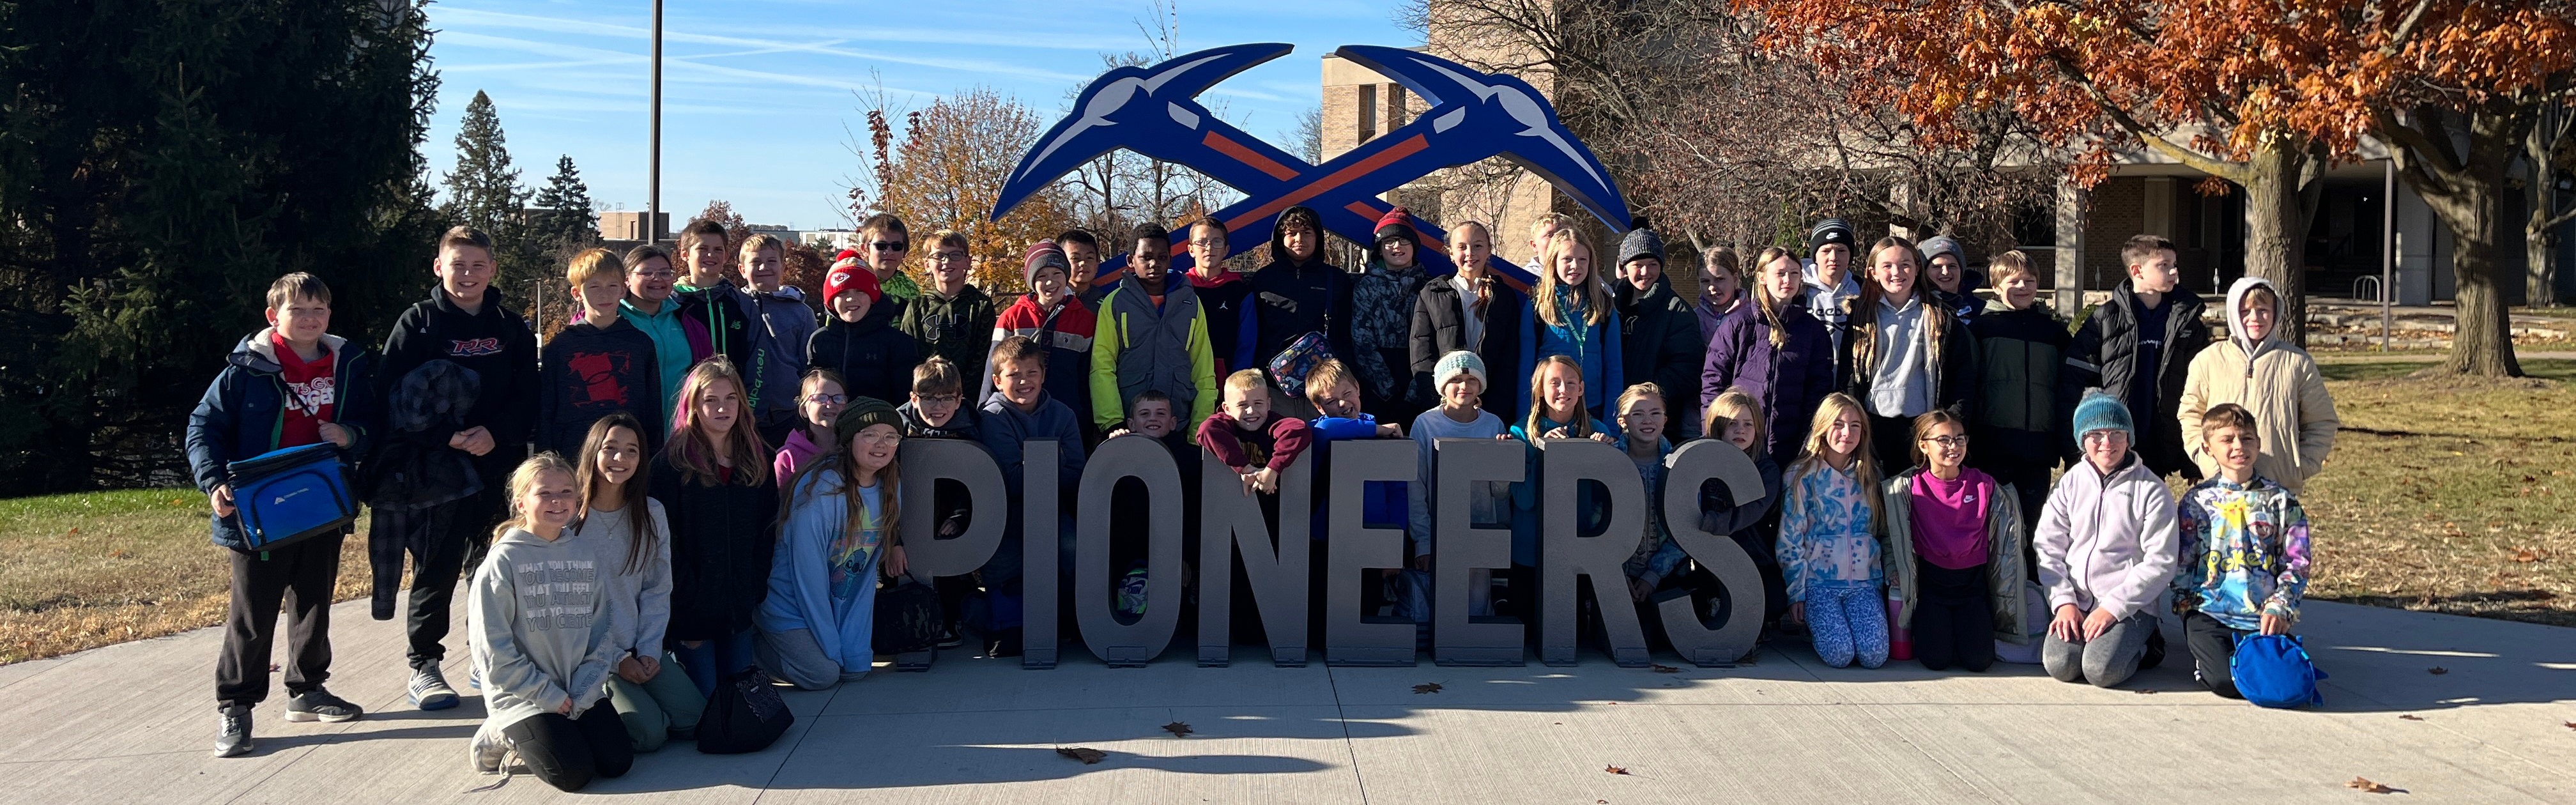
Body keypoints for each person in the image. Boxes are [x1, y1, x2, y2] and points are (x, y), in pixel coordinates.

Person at [190, 272, 375, 756]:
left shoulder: (349, 363)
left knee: (314, 601)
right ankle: (236, 705)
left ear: (329, 315)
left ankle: (308, 690)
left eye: (319, 310)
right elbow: (202, 426)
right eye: (298, 310)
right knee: (253, 612)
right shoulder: (247, 368)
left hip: (322, 501)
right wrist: (214, 483)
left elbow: (377, 424)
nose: (310, 319)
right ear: (274, 317)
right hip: (258, 509)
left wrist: (350, 435)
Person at [372, 225, 538, 711]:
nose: (467, 274)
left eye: (478, 265)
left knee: (492, 565)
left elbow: (529, 395)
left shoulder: (511, 327)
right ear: (438, 267)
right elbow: (391, 398)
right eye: (458, 264)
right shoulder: (418, 324)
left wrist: (497, 433)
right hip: (435, 468)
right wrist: (443, 437)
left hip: (499, 463)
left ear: (492, 270)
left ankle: (484, 655)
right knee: (437, 563)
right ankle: (424, 663)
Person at [465, 454, 631, 792]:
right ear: (521, 502)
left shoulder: (583, 553)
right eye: (544, 494)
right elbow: (493, 653)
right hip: (521, 694)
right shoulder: (503, 562)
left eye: (566, 492)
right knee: (573, 775)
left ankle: (559, 729)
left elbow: (602, 631)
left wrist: (583, 688)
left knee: (617, 762)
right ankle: (499, 732)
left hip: (576, 688)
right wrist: (546, 695)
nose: (557, 501)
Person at [571, 413, 703, 752]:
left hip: (640, 646)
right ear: (593, 452)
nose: (621, 459)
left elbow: (658, 588)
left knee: (694, 718)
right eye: (610, 448)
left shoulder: (651, 512)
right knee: (650, 734)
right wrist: (617, 660)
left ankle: (642, 700)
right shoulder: (570, 522)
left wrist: (649, 649)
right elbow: (572, 612)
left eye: (632, 451)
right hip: (593, 657)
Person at [649, 359, 780, 699]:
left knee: (739, 703)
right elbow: (664, 542)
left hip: (738, 607)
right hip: (691, 613)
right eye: (710, 400)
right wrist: (686, 599)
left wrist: (754, 586)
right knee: (705, 706)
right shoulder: (669, 465)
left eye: (731, 398)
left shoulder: (758, 458)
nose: (722, 408)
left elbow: (767, 530)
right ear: (692, 405)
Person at [759, 397, 909, 690]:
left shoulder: (891, 486)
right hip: (790, 606)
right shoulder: (821, 492)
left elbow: (863, 578)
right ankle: (753, 650)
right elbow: (808, 578)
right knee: (823, 674)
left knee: (855, 670)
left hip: (832, 603)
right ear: (850, 439)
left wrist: (850, 648)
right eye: (870, 435)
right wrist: (831, 646)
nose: (882, 444)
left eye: (891, 437)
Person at [2035, 391, 2180, 689]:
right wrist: (2063, 601)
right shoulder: (2069, 483)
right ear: (2082, 440)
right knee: (2060, 665)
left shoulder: (2151, 490)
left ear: (2129, 437)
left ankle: (2147, 642)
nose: (2107, 443)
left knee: (2100, 670)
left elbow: (2161, 561)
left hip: (2128, 604)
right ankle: (2092, 631)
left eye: (2117, 433)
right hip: (2077, 600)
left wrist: (2113, 607)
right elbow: (2047, 545)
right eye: (2096, 434)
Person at [2174, 403, 2312, 700]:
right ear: (2209, 449)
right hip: (2209, 612)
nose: (2239, 446)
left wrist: (2281, 605)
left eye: (2247, 438)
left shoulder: (2281, 501)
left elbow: (2297, 562)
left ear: (2259, 444)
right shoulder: (2195, 502)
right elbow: (2183, 560)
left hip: (2262, 615)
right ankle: (2208, 662)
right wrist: (2185, 607)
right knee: (2227, 682)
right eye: (2228, 439)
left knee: (2280, 684)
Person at [1880, 410, 2028, 673]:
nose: (1954, 447)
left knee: (1979, 661)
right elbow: (1892, 537)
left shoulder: (1985, 485)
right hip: (1932, 586)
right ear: (1924, 445)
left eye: (1960, 439)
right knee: (1936, 660)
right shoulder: (1907, 488)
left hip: (1972, 586)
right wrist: (1894, 569)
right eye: (1944, 440)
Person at [2060, 234, 2210, 479]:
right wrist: (2077, 451)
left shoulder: (2187, 322)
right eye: (2164, 266)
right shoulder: (2104, 320)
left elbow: (2202, 391)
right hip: (2112, 447)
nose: (2174, 272)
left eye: (2174, 265)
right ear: (2137, 270)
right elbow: (2074, 388)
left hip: (2161, 445)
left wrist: (2192, 459)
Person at [978, 335, 1090, 657]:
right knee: (1003, 571)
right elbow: (1011, 481)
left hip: (1055, 512)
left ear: (1043, 375)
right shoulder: (993, 417)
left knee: (1073, 545)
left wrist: (1037, 465)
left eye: (1032, 373)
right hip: (1008, 516)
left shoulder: (1064, 414)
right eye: (1014, 374)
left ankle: (1071, 620)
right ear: (998, 381)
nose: (1024, 381)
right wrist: (1055, 462)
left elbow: (1078, 477)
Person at [2177, 277, 2339, 494]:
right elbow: (2191, 416)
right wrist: (2207, 461)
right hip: (2222, 486)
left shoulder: (2297, 363)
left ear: (2276, 312)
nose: (2255, 318)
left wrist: (2300, 467)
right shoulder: (2208, 360)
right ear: (2234, 313)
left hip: (2278, 487)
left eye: (2263, 310)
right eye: (2245, 311)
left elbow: (2321, 421)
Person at [1966, 250, 2069, 559]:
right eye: (2014, 281)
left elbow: (2065, 388)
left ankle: (2029, 591)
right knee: (1993, 525)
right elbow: (1970, 383)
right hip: (1992, 446)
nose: (2023, 287)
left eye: (2030, 280)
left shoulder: (2054, 333)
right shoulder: (1982, 329)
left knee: (2031, 524)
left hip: (2038, 446)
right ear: (1997, 287)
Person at [1843, 236, 1974, 473]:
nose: (1897, 272)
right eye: (1888, 266)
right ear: (1873, 272)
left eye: (1905, 265)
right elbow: (1849, 375)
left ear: (1916, 269)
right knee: (1878, 498)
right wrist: (1853, 419)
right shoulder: (1861, 317)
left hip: (1924, 425)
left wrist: (1953, 420)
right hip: (1873, 423)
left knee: (1916, 500)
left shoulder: (1941, 317)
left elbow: (1960, 375)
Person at [1777, 393, 1887, 669]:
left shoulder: (1871, 475)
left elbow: (1882, 532)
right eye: (1838, 424)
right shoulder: (1801, 476)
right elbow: (1790, 539)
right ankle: (1815, 628)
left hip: (1863, 584)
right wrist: (1797, 593)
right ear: (1823, 427)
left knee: (1874, 656)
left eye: (1855, 426)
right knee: (1839, 655)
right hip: (1818, 585)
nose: (1846, 433)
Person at [1502, 356, 1619, 615]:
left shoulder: (1596, 430)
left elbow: (1604, 499)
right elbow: (1524, 501)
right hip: (1529, 550)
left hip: (1575, 550)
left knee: (1570, 639)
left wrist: (1604, 460)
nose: (1563, 390)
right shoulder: (1521, 433)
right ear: (1540, 389)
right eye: (1554, 383)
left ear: (1581, 389)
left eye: (1570, 383)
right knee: (1524, 634)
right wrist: (1548, 454)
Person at [1703, 246, 1839, 468]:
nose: (1788, 280)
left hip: (1791, 448)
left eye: (1795, 273)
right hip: (1738, 444)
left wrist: (1809, 442)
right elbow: (1713, 381)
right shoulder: (1739, 324)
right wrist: (1712, 432)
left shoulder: (1814, 331)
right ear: (1762, 277)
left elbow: (1819, 392)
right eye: (1780, 273)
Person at [1404, 351, 1511, 617]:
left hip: (1481, 530)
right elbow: (1416, 488)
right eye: (1456, 379)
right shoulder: (1425, 424)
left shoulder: (1493, 424)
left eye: (1471, 379)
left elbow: (1500, 492)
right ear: (1442, 386)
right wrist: (1424, 541)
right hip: (1440, 532)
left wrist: (1503, 465)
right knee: (1443, 608)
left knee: (1477, 606)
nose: (1464, 386)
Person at [1089, 223, 1218, 436]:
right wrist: (1112, 422)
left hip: (1179, 422)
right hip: (1129, 425)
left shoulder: (1191, 303)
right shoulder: (1115, 303)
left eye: (1161, 257)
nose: (1154, 264)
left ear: (1170, 259)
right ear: (1131, 261)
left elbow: (1203, 371)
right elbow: (1102, 366)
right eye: (1146, 257)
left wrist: (1199, 429)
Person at [539, 249, 663, 456]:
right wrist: (545, 457)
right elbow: (546, 410)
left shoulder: (641, 344)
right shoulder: (560, 347)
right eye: (594, 287)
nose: (604, 294)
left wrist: (652, 458)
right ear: (577, 293)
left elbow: (653, 410)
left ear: (623, 289)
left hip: (625, 458)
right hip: (572, 455)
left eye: (612, 286)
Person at [986, 241, 1097, 440]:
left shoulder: (1085, 320)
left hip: (1066, 418)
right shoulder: (1012, 317)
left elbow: (1087, 376)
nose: (1050, 282)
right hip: (1015, 417)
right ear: (1032, 281)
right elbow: (992, 372)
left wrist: (1089, 420)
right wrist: (984, 411)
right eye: (1042, 277)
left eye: (1057, 274)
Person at [1410, 220, 1525, 407]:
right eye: (1462, 247)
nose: (1470, 253)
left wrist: (1498, 404)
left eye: (1478, 246)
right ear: (1451, 254)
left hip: (1490, 404)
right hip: (1445, 403)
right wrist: (1438, 399)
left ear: (1489, 251)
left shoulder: (1503, 296)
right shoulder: (1432, 294)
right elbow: (1421, 353)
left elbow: (1510, 358)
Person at [1702, 390, 1788, 635]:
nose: (1741, 430)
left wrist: (1718, 523)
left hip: (1755, 556)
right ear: (1717, 426)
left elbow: (1755, 509)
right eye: (1732, 424)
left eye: (1748, 424)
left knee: (1774, 603)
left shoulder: (1767, 470)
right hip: (1711, 555)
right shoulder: (1701, 462)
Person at [1515, 226, 1625, 418]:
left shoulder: (1604, 304)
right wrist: (1526, 420)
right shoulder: (1538, 305)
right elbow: (1526, 368)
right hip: (1549, 410)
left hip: (1592, 409)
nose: (1576, 266)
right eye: (1567, 259)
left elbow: (1614, 367)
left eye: (1583, 259)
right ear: (1554, 261)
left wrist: (1611, 423)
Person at [1611, 227, 1706, 438]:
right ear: (1625, 267)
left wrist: (1647, 397)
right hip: (1607, 416)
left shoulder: (1676, 310)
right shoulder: (1608, 305)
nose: (1645, 272)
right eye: (1638, 265)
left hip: (1653, 424)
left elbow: (1688, 368)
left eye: (1652, 265)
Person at [1237, 206, 1353, 373]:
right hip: (1272, 379)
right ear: (1280, 239)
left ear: (1318, 238)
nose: (1299, 239)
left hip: (1325, 379)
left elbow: (1347, 333)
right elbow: (1251, 334)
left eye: (1307, 232)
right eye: (1292, 233)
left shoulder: (1337, 279)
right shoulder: (1264, 279)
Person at [1349, 208, 1434, 422]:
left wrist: (1414, 394)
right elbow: (1362, 343)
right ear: (1380, 247)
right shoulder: (1366, 287)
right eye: (1390, 241)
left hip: (1421, 383)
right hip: (1377, 391)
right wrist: (1390, 392)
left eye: (1404, 240)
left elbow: (1435, 342)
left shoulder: (1430, 287)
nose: (1397, 246)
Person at [672, 220, 765, 412]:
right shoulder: (672, 304)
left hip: (733, 410)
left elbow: (758, 359)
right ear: (684, 254)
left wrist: (752, 408)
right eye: (702, 248)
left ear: (727, 256)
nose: (710, 255)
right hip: (685, 410)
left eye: (718, 250)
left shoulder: (743, 304)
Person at [807, 258, 922, 407]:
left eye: (860, 291)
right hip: (829, 425)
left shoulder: (898, 343)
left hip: (879, 426)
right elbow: (811, 392)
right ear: (832, 300)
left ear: (873, 297)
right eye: (843, 292)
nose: (851, 298)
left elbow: (905, 401)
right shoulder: (820, 340)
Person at [741, 233, 818, 445]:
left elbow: (810, 366)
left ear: (783, 266)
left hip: (788, 414)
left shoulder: (801, 313)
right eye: (755, 262)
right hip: (742, 414)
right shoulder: (735, 308)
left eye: (771, 261)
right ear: (742, 269)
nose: (764, 267)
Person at [900, 229, 1000, 388]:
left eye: (955, 255)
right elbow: (907, 356)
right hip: (925, 395)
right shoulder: (917, 306)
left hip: (967, 397)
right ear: (927, 264)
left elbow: (982, 359)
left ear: (967, 262)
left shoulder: (981, 305)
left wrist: (963, 396)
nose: (947, 261)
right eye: (939, 256)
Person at [1199, 369, 1315, 500]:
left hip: (1275, 498)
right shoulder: (1224, 423)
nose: (1251, 411)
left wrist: (1272, 470)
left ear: (1268, 404)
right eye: (1242, 405)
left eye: (1258, 403)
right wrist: (1246, 469)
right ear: (1227, 409)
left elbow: (1299, 429)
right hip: (1232, 502)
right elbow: (1206, 430)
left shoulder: (1272, 422)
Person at [619, 245, 692, 425]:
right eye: (647, 273)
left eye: (665, 273)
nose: (657, 278)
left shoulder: (685, 317)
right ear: (627, 279)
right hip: (631, 430)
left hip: (682, 430)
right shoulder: (614, 320)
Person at [1181, 217, 1252, 376]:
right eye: (1202, 242)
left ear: (1226, 250)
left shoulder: (1240, 292)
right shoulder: (1179, 289)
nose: (1209, 248)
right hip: (1184, 375)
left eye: (1216, 242)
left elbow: (1246, 343)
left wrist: (1238, 380)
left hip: (1224, 377)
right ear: (1191, 250)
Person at [1802, 218, 1864, 359]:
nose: (1834, 257)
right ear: (1815, 256)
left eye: (1841, 250)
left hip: (1846, 378)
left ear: (1850, 256)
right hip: (1805, 376)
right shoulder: (1798, 289)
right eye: (1826, 251)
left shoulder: (1862, 290)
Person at [772, 369, 847, 482]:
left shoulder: (855, 451)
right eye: (821, 398)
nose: (830, 404)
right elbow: (780, 498)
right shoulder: (788, 456)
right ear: (804, 410)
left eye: (838, 398)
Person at [857, 213, 922, 321]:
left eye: (897, 246)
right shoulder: (854, 284)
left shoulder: (910, 289)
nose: (889, 252)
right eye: (881, 246)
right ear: (865, 249)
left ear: (905, 251)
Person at [1917, 235, 1985, 324]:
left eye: (1952, 266)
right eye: (1937, 267)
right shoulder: (1914, 310)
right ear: (1924, 272)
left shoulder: (1982, 310)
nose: (1945, 272)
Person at [1694, 245, 1745, 340]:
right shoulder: (1692, 319)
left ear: (1735, 279)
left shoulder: (1750, 317)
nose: (1712, 287)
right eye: (1705, 281)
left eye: (1719, 279)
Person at [1061, 228, 1112, 308]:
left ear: (1097, 261)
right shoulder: (1051, 301)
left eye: (1089, 258)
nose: (1083, 263)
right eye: (1075, 258)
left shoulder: (1107, 304)